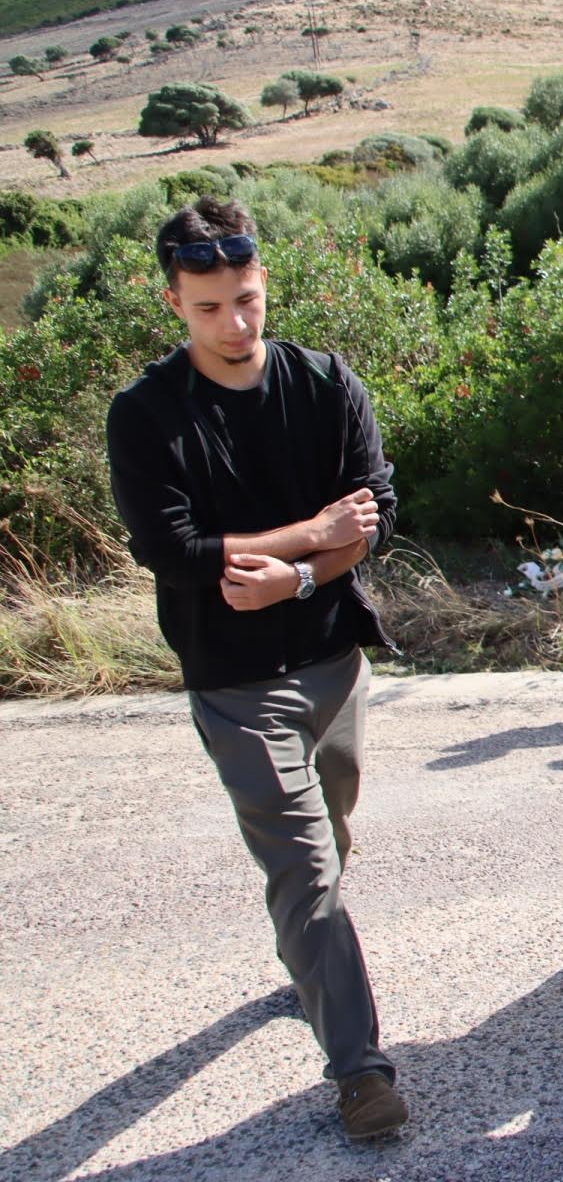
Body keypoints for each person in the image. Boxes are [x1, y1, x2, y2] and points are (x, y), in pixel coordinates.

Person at [105, 197, 409, 1140]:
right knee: (307, 867)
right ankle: (361, 1071)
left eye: (246, 299)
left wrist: (302, 573)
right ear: (173, 303)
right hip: (235, 682)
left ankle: (309, 967)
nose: (235, 325)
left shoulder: (324, 383)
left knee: (333, 833)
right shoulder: (146, 414)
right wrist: (314, 534)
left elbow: (378, 512)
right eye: (209, 309)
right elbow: (175, 548)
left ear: (264, 280)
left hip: (333, 660)